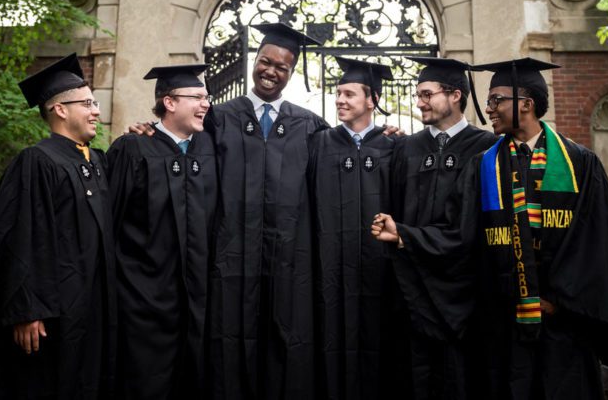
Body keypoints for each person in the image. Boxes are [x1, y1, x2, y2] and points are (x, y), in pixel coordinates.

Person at [471, 57, 608, 399]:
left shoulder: (578, 162)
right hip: (503, 326)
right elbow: (471, 239)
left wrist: (558, 301)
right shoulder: (483, 166)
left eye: (496, 100)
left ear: (526, 103)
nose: (489, 109)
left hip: (565, 326)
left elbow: (598, 241)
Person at [0, 54, 116, 399]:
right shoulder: (37, 161)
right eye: (88, 103)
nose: (96, 110)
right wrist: (26, 309)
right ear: (60, 110)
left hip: (89, 307)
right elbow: (20, 238)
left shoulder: (95, 163)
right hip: (50, 316)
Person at [205, 22, 329, 400]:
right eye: (265, 61)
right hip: (232, 252)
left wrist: (384, 138)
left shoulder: (309, 124)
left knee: (285, 338)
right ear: (253, 62)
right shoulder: (219, 117)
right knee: (229, 337)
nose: (271, 71)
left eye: (282, 67)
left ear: (292, 73)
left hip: (288, 256)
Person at [370, 56, 497, 400]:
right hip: (413, 286)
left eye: (427, 94)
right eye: (418, 95)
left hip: (464, 288)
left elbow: (478, 225)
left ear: (454, 95)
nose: (419, 102)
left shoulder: (485, 148)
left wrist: (407, 236)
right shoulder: (406, 148)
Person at [107, 64, 216, 400]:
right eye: (197, 97)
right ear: (169, 102)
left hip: (196, 299)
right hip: (144, 299)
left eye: (207, 96)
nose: (206, 104)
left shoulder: (209, 149)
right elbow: (109, 223)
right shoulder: (132, 149)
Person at [308, 56, 399, 400]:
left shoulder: (394, 146)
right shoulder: (319, 143)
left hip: (381, 268)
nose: (340, 100)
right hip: (330, 267)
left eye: (349, 94)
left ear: (372, 99)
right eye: (338, 93)